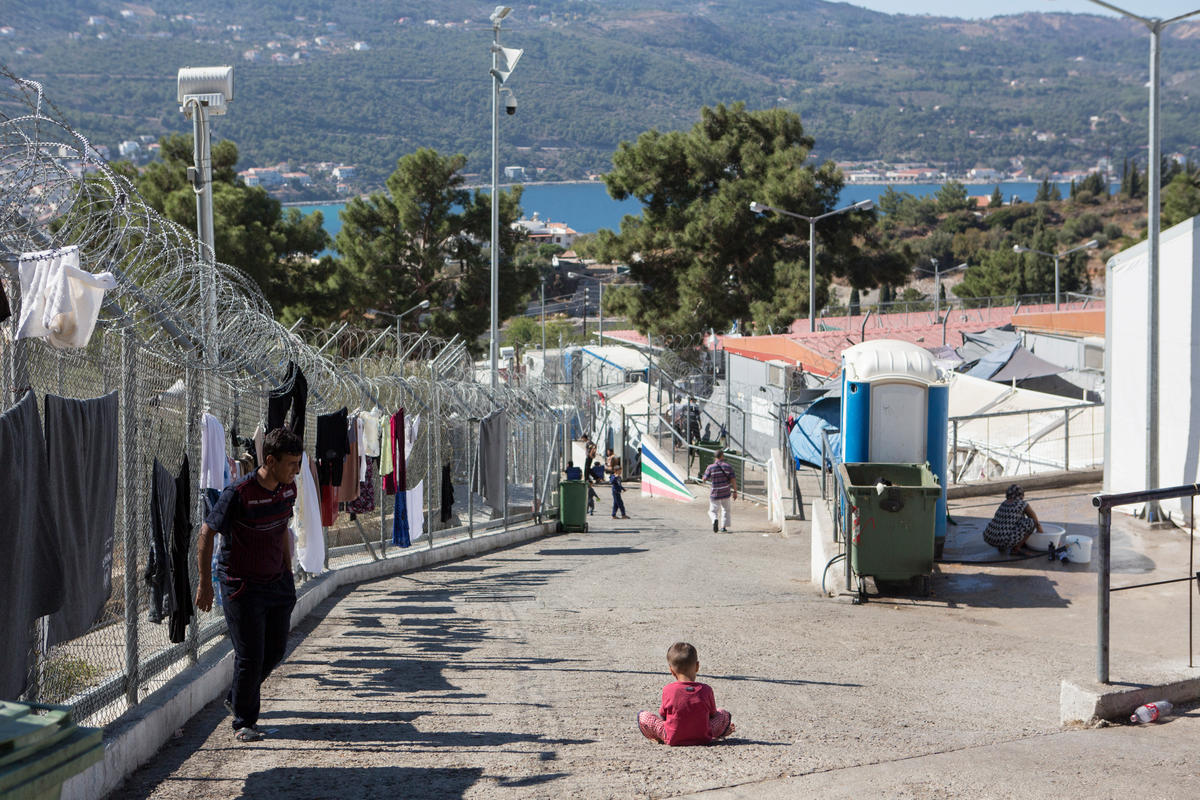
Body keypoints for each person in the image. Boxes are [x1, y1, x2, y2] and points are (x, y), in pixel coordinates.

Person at [195, 427, 304, 743]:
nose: (296, 470)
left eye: (298, 463)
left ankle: (237, 697)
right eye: (291, 464)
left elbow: (282, 529)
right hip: (242, 585)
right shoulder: (239, 493)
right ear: (270, 461)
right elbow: (206, 533)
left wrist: (287, 573)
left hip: (277, 583)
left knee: (275, 650)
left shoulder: (288, 489)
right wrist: (205, 584)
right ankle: (244, 722)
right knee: (250, 654)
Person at [638, 642, 734, 746]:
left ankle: (659, 737)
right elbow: (713, 714)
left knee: (643, 716)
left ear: (671, 670)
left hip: (673, 737)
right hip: (703, 737)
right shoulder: (706, 689)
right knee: (723, 713)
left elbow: (663, 715)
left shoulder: (668, 690)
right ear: (697, 666)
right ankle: (721, 732)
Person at [983, 483, 1044, 555]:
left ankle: (1001, 547)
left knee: (1010, 522)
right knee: (1031, 522)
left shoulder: (1003, 503)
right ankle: (1016, 549)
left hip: (989, 537)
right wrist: (1041, 533)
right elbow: (1036, 521)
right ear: (1021, 494)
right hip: (1004, 540)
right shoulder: (1022, 504)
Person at [702, 449, 737, 533]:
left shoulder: (710, 467)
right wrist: (735, 491)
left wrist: (705, 478)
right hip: (726, 491)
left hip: (715, 493)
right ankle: (723, 527)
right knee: (726, 509)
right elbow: (733, 480)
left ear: (715, 457)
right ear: (722, 456)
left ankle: (714, 520)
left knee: (712, 511)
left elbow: (704, 479)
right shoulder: (728, 466)